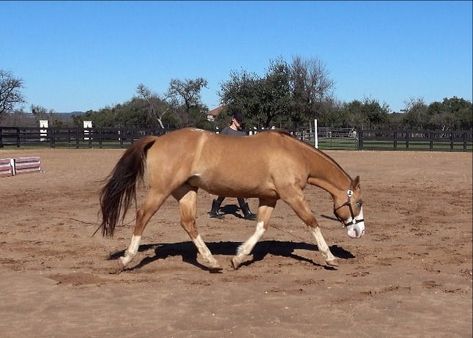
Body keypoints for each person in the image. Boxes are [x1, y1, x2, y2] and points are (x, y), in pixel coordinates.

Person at [208, 112, 257, 220]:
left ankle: (214, 209)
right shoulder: (226, 131)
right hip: (227, 164)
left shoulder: (242, 134)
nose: (240, 122)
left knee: (231, 188)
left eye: (241, 121)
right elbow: (217, 146)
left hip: (239, 164)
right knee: (236, 187)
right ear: (233, 119)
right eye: (238, 120)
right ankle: (245, 212)